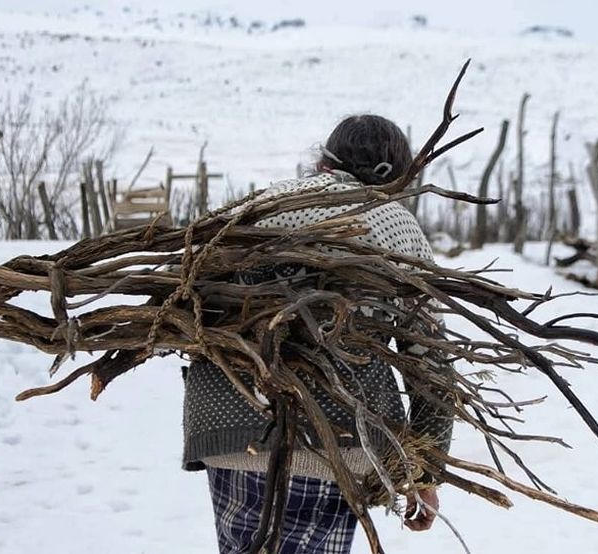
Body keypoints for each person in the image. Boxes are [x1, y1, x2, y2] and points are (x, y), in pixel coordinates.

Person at [181, 114, 453, 553]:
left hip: (227, 429)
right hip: (328, 439)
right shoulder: (396, 224)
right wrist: (423, 472)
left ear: (324, 160)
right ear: (396, 176)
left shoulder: (260, 204)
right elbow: (430, 362)